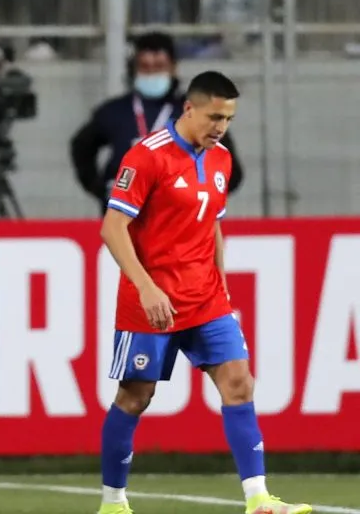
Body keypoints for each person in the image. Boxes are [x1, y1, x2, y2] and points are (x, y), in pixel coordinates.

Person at [98, 71, 310, 514]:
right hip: (151, 301)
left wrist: (223, 282)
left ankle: (258, 499)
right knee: (135, 397)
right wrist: (146, 287)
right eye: (215, 117)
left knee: (239, 384)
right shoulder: (147, 156)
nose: (221, 127)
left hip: (207, 298)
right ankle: (113, 503)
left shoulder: (220, 159)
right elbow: (112, 227)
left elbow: (211, 221)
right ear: (189, 108)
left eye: (228, 119)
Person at [70, 32, 243, 215]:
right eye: (145, 67)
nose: (152, 73)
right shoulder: (114, 111)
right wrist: (100, 187)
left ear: (173, 68)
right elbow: (81, 147)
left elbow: (230, 167)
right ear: (135, 70)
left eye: (159, 67)